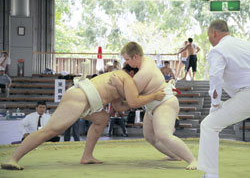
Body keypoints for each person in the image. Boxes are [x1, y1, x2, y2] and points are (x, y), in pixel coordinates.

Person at [1, 65, 165, 170]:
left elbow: (120, 106)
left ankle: (87, 156)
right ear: (131, 72)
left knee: (102, 119)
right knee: (51, 131)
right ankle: (13, 158)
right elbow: (134, 100)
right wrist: (154, 96)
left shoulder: (121, 83)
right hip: (80, 97)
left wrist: (139, 101)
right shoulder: (124, 77)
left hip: (87, 102)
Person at [120, 41, 197, 170]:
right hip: (152, 105)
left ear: (135, 57)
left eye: (127, 59)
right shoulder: (147, 60)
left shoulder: (143, 73)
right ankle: (174, 155)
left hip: (164, 102)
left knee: (163, 135)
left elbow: (131, 99)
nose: (126, 63)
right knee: (150, 136)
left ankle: (192, 160)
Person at [197, 20, 250, 178]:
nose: (209, 40)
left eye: (209, 36)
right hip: (244, 94)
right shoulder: (244, 44)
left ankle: (211, 174)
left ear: (214, 33)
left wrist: (215, 105)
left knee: (209, 125)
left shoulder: (218, 50)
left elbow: (216, 79)